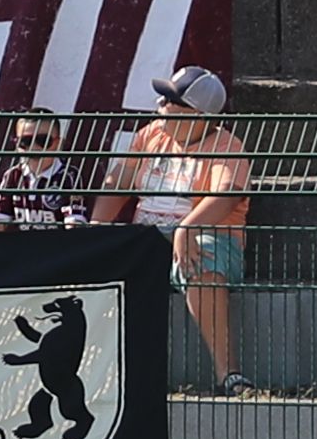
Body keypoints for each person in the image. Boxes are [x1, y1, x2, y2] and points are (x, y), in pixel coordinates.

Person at [106, 65, 252, 393]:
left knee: (201, 257)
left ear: (197, 115)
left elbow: (225, 196)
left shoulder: (228, 146)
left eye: (170, 100)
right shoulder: (150, 135)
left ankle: (228, 374)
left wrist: (187, 227)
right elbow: (117, 186)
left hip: (205, 239)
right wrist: (94, 232)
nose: (160, 105)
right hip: (145, 241)